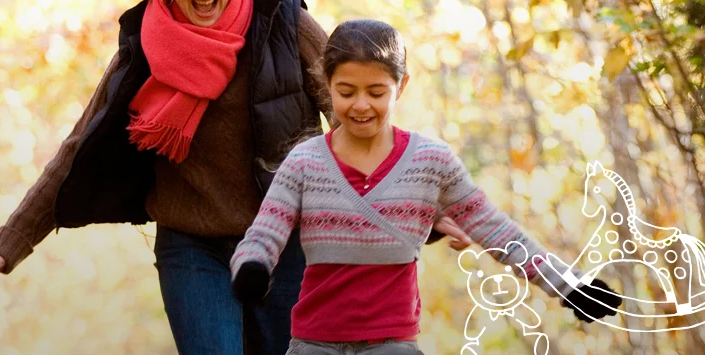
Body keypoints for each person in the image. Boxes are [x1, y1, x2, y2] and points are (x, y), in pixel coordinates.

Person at [0, 0, 472, 354]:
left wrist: (430, 207)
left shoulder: (282, 21)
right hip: (193, 245)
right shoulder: (143, 45)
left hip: (289, 241)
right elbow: (79, 147)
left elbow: (359, 121)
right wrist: (6, 249)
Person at [230, 19, 624, 355]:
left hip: (392, 345)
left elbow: (495, 230)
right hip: (313, 344)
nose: (361, 105)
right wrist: (252, 267)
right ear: (326, 84)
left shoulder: (430, 162)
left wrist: (570, 285)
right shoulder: (305, 162)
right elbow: (266, 232)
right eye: (346, 92)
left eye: (376, 92)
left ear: (400, 87)